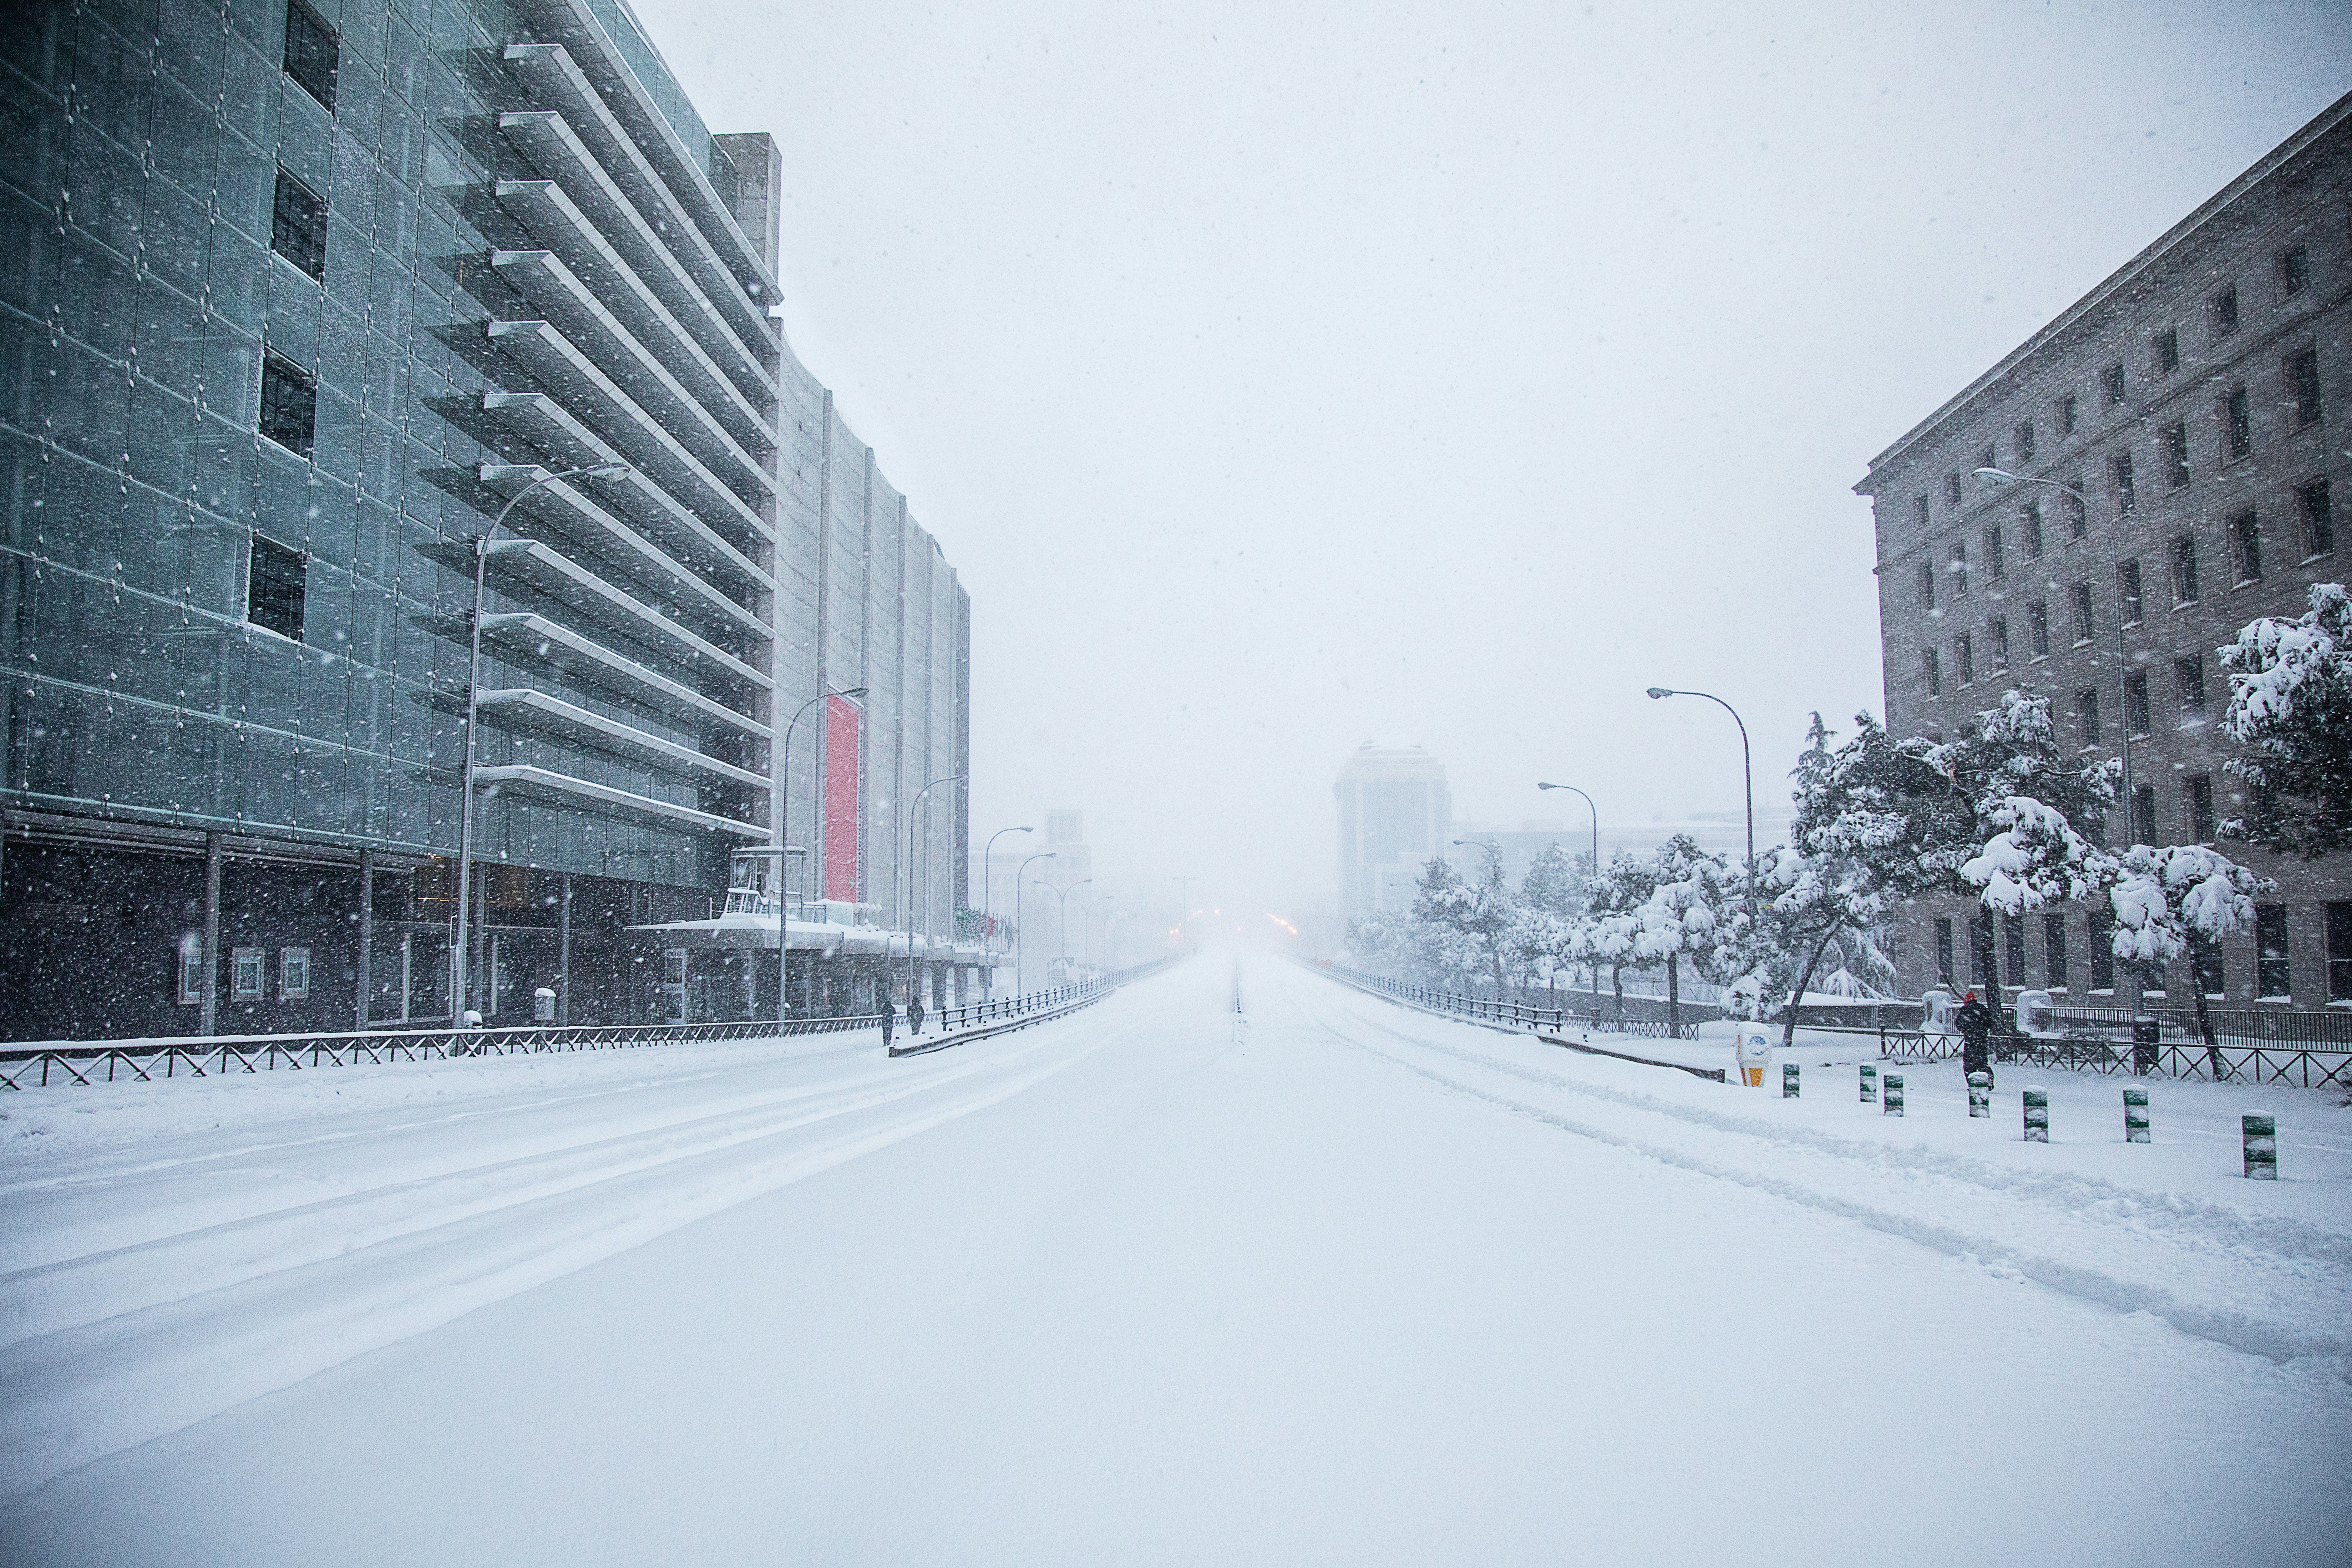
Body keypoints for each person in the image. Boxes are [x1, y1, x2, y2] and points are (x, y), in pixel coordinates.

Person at [1955, 988, 1997, 1089]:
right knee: (1983, 1062)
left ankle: (1973, 1081)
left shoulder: (1965, 1011)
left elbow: (1959, 1024)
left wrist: (1966, 1030)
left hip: (1971, 1041)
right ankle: (1988, 1077)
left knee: (1969, 1064)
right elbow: (1990, 1023)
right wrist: (1982, 1030)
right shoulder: (1982, 1009)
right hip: (1982, 1040)